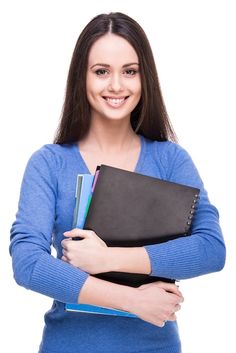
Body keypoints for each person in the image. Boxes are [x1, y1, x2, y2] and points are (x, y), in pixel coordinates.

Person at [10, 12, 226, 353]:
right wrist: (130, 300)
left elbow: (211, 249)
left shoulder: (170, 160)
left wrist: (109, 258)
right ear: (81, 78)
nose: (116, 85)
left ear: (145, 78)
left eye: (130, 71)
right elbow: (28, 263)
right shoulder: (49, 163)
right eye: (101, 72)